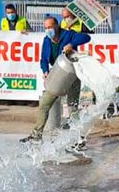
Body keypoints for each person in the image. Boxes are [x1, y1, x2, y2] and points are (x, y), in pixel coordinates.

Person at [21, 16, 90, 146]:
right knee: (44, 104)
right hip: (57, 74)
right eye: (46, 28)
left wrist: (71, 44)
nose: (48, 30)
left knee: (72, 107)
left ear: (57, 26)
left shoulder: (68, 35)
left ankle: (79, 139)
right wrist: (45, 71)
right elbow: (43, 59)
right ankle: (36, 135)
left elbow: (86, 37)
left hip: (72, 75)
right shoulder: (47, 40)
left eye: (50, 27)